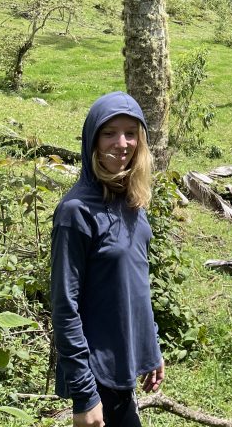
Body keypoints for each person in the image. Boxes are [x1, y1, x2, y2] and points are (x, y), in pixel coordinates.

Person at [51, 92, 165, 427]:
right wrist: (85, 394)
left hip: (123, 367)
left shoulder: (131, 200)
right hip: (97, 372)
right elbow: (64, 306)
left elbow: (136, 283)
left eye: (131, 133)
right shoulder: (76, 212)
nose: (122, 143)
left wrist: (150, 346)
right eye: (109, 133)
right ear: (92, 141)